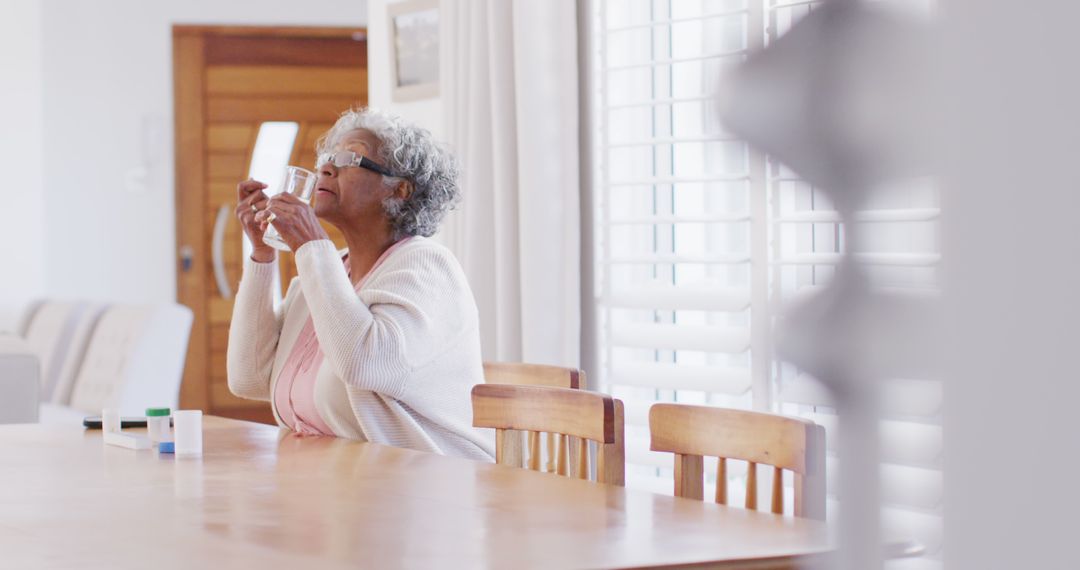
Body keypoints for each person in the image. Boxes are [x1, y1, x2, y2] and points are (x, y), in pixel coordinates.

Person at [226, 107, 493, 461]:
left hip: (427, 490)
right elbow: (250, 379)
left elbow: (364, 364)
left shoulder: (426, 265)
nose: (325, 168)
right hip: (340, 491)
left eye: (349, 158)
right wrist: (262, 255)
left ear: (399, 190)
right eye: (327, 157)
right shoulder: (326, 272)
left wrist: (310, 246)